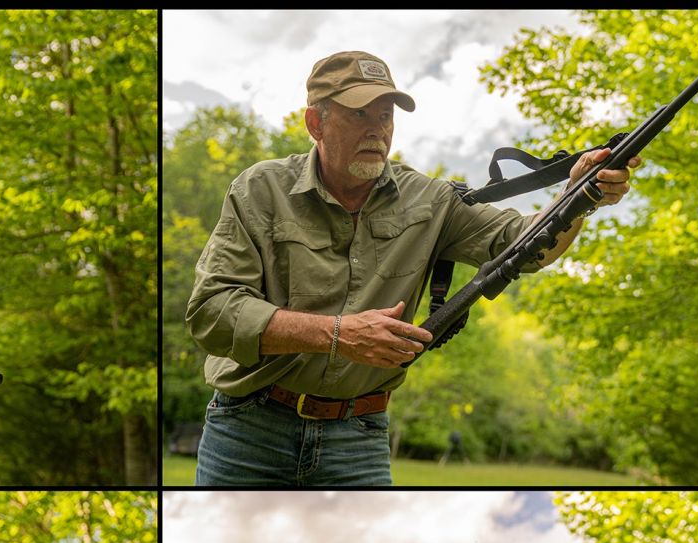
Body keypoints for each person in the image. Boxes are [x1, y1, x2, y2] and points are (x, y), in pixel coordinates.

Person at [187, 51, 640, 485]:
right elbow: (212, 312)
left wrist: (579, 196)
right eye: (359, 114)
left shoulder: (430, 199)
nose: (377, 130)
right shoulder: (261, 189)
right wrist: (339, 334)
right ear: (315, 123)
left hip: (359, 436)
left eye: (385, 116)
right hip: (248, 428)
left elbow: (523, 246)